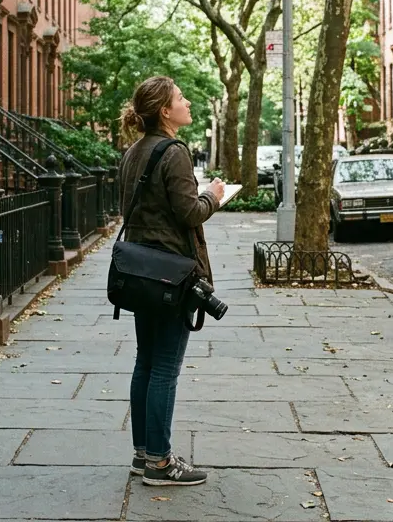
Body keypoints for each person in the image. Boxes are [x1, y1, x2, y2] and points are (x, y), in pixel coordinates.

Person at [118, 76, 225, 486]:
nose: (188, 101)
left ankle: (142, 453)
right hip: (173, 274)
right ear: (165, 110)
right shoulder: (174, 151)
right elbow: (189, 213)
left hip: (139, 270)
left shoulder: (133, 151)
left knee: (145, 361)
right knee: (164, 366)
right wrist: (213, 195)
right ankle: (160, 463)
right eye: (181, 97)